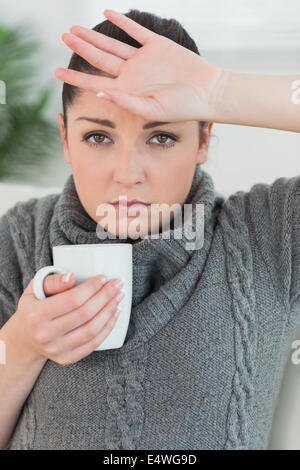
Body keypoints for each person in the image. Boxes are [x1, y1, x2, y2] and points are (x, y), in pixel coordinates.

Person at [0, 8, 299, 450]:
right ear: (66, 138)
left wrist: (218, 89)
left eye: (161, 137)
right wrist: (23, 345)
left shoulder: (268, 234)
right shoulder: (20, 239)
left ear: (202, 140)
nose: (127, 174)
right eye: (98, 137)